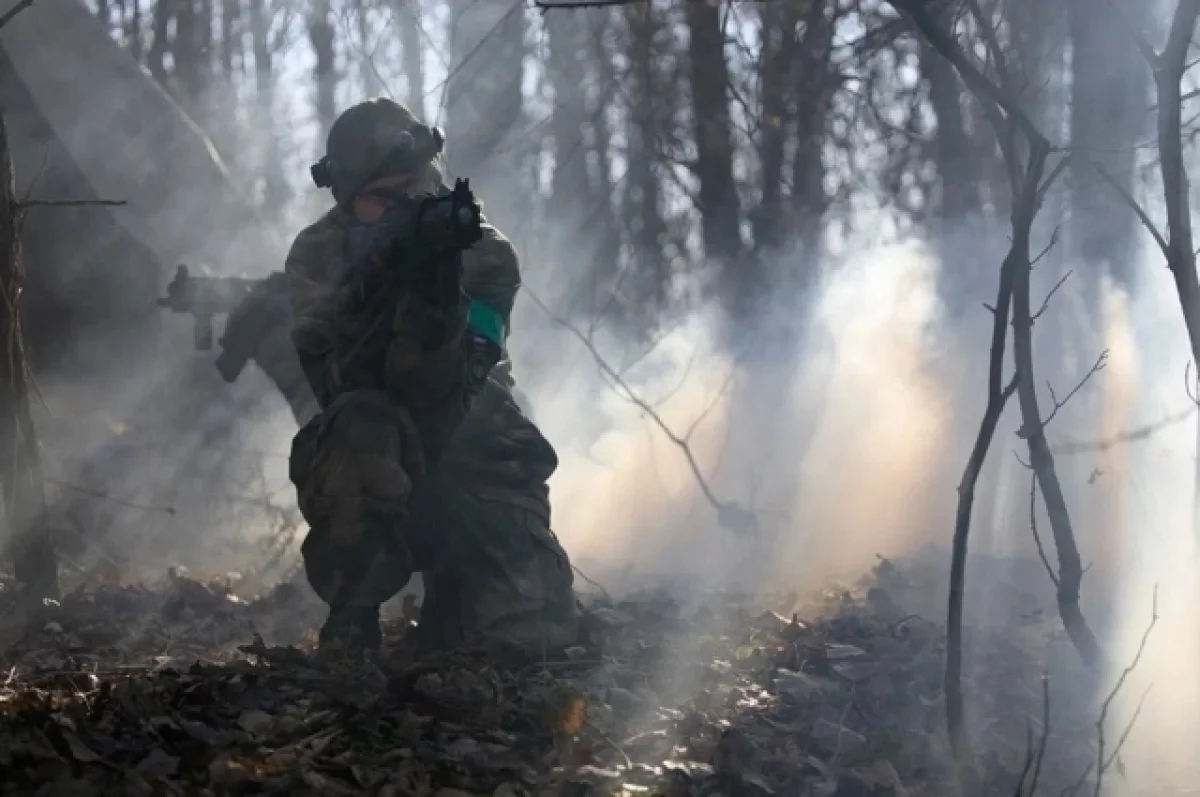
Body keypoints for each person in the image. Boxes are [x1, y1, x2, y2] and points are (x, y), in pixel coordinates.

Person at [282, 98, 578, 657]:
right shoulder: (319, 254)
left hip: (473, 442)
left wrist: (433, 293)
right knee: (359, 422)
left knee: (526, 637)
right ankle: (353, 617)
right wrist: (380, 283)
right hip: (374, 446)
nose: (412, 206)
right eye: (385, 199)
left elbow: (460, 383)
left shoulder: (482, 250)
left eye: (417, 186)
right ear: (349, 204)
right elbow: (335, 381)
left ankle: (454, 600)